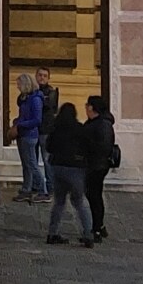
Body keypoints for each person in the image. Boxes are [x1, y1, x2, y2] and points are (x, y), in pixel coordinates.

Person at [42, 101, 94, 246]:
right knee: (79, 202)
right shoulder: (79, 129)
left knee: (59, 202)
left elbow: (49, 147)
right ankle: (88, 234)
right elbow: (87, 147)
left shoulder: (55, 128)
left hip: (58, 167)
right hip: (75, 168)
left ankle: (52, 233)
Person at [81, 94, 116, 239]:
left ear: (92, 108)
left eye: (87, 105)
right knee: (94, 195)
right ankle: (99, 225)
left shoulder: (101, 125)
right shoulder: (97, 123)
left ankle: (96, 227)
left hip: (96, 165)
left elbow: (100, 146)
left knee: (94, 195)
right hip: (96, 164)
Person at [13, 73, 47, 201]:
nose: (17, 87)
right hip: (22, 134)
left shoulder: (35, 99)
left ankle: (43, 190)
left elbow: (37, 120)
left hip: (29, 135)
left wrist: (21, 124)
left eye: (19, 84)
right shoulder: (26, 98)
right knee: (26, 164)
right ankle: (26, 189)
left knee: (32, 163)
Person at [32, 68, 60, 200]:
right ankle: (36, 184)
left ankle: (50, 186)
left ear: (48, 78)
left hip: (45, 131)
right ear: (36, 76)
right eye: (40, 75)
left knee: (47, 160)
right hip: (33, 130)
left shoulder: (51, 92)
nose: (42, 78)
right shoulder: (33, 91)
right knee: (33, 159)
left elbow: (48, 105)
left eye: (45, 76)